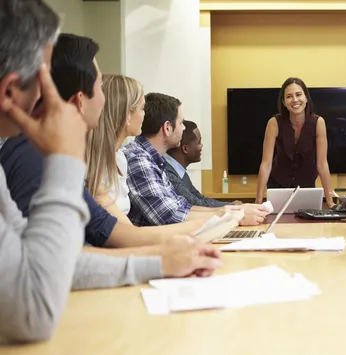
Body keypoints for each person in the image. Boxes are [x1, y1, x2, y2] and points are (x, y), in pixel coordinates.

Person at [1, 34, 221, 292]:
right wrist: (163, 256)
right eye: (99, 87)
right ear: (80, 101)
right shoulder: (33, 156)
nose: (103, 100)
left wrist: (171, 251)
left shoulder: (54, 156)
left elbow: (107, 231)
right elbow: (43, 274)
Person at [0, 0, 89, 342]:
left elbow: (33, 257)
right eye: (44, 78)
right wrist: (65, 159)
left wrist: (160, 265)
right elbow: (34, 309)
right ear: (10, 91)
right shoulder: (29, 153)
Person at [125, 92, 268, 226]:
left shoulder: (154, 160)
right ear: (167, 128)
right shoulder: (139, 159)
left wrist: (233, 211)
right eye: (181, 123)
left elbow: (182, 206)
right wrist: (234, 216)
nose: (182, 129)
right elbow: (170, 216)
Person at [255, 77, 334, 207]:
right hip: (278, 183)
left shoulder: (318, 123)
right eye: (289, 96)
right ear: (284, 102)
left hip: (307, 185)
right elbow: (266, 164)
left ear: (306, 97)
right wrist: (258, 202)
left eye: (298, 94)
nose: (295, 100)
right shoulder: (274, 123)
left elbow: (322, 164)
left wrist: (330, 202)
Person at [165, 120, 232, 208]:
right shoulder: (168, 174)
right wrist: (234, 206)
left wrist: (233, 205)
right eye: (199, 142)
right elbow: (197, 204)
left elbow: (200, 198)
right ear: (185, 149)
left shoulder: (180, 171)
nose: (201, 146)